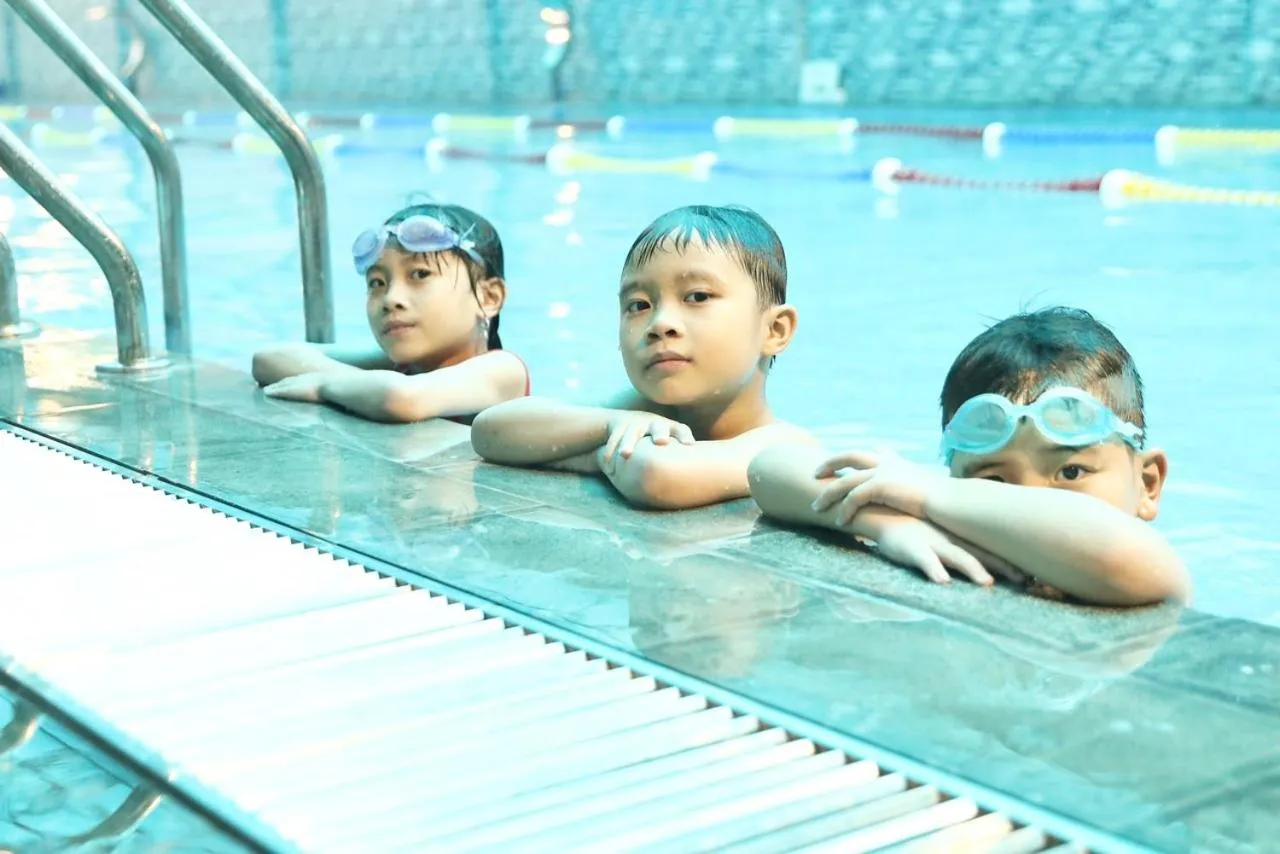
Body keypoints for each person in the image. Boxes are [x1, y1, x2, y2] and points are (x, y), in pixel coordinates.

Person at [748, 307, 1190, 606]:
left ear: (1148, 484)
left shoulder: (1153, 572)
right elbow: (769, 468)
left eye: (1070, 471)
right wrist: (886, 523)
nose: (1024, 501)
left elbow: (1113, 550)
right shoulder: (943, 526)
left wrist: (931, 495)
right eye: (993, 482)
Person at [471, 204, 810, 509]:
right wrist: (610, 425)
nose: (659, 324)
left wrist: (584, 450)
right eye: (639, 305)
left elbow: (656, 474)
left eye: (697, 296)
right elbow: (491, 430)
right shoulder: (637, 412)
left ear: (774, 331)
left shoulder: (785, 445)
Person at [251, 203, 528, 423]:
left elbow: (399, 398)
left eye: (420, 274)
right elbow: (270, 358)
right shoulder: (402, 367)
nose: (391, 299)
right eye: (377, 283)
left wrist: (323, 385)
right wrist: (357, 385)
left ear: (489, 297)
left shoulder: (503, 371)